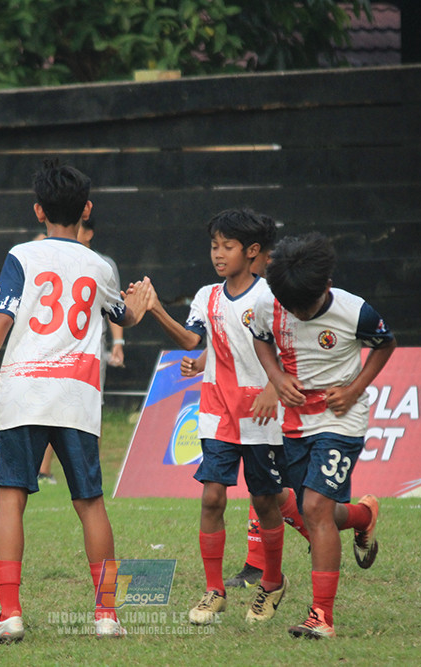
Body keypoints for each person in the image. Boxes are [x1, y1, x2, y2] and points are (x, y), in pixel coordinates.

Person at [0, 159, 151, 642]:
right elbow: (121, 316)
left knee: (11, 498)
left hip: (25, 392)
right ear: (86, 209)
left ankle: (10, 614)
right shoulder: (99, 265)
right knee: (90, 503)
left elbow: (2, 319)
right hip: (78, 397)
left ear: (37, 211)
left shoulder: (21, 256)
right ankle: (107, 615)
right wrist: (135, 308)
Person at [142, 207, 290, 625]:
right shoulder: (207, 295)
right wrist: (155, 309)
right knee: (211, 497)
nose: (218, 254)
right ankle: (214, 590)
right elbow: (193, 340)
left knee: (265, 502)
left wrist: (271, 388)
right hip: (217, 411)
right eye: (213, 245)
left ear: (253, 251)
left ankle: (273, 581)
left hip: (260, 416)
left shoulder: (270, 297)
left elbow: (285, 351)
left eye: (228, 246)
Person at [249, 232, 395, 639]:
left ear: (326, 286)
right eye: (290, 306)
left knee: (313, 508)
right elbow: (261, 340)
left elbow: (385, 344)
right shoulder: (268, 302)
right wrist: (276, 378)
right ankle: (364, 515)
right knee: (319, 513)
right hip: (295, 420)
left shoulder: (355, 312)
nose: (297, 312)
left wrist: (354, 389)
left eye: (305, 306)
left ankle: (322, 618)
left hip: (340, 417)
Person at [38, 216, 125, 485]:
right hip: (56, 348)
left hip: (91, 351)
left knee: (89, 410)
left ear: (89, 233)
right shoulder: (51, 257)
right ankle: (43, 471)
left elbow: (115, 308)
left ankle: (89, 472)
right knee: (52, 408)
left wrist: (118, 344)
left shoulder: (102, 264)